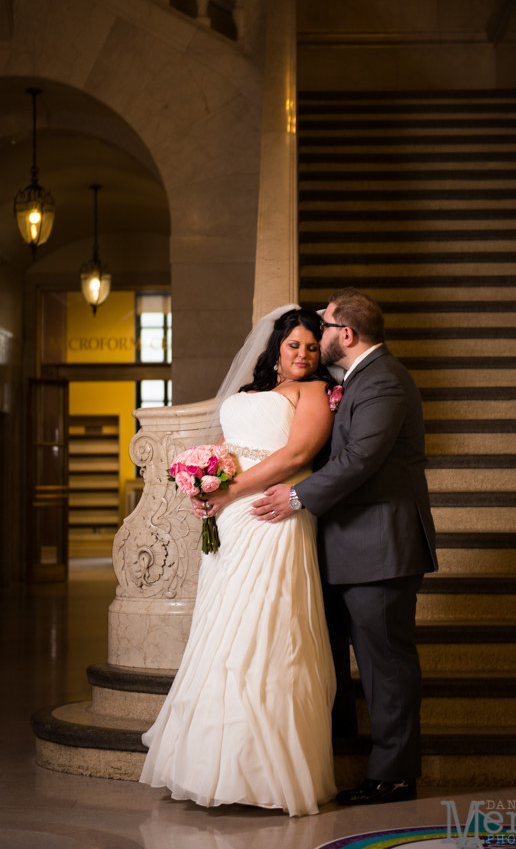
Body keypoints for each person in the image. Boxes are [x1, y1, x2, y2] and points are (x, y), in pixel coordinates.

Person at [139, 306, 338, 817]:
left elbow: (296, 457)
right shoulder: (251, 392)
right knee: (220, 628)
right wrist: (203, 482)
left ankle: (265, 775)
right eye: (295, 345)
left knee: (267, 626)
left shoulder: (314, 393)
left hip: (273, 517)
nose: (303, 355)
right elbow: (231, 448)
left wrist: (227, 492)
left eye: (313, 348)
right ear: (277, 346)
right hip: (230, 522)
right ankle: (207, 764)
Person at [252, 287, 438, 806]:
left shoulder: (384, 381)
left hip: (381, 548)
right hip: (350, 547)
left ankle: (395, 775)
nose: (317, 336)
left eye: (325, 327)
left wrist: (294, 496)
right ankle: (334, 754)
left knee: (386, 665)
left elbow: (359, 460)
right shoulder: (355, 379)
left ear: (347, 335)